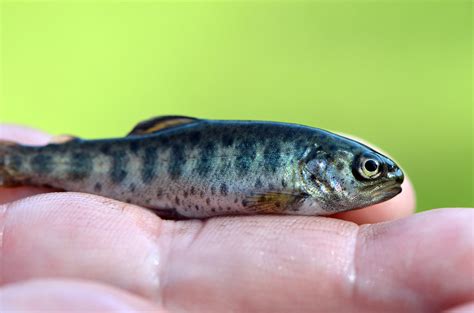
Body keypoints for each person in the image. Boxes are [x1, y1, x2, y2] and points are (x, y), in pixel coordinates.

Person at [0, 124, 472, 312]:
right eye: (366, 170)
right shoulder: (296, 182)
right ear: (321, 167)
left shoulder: (307, 174)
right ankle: (16, 162)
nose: (379, 178)